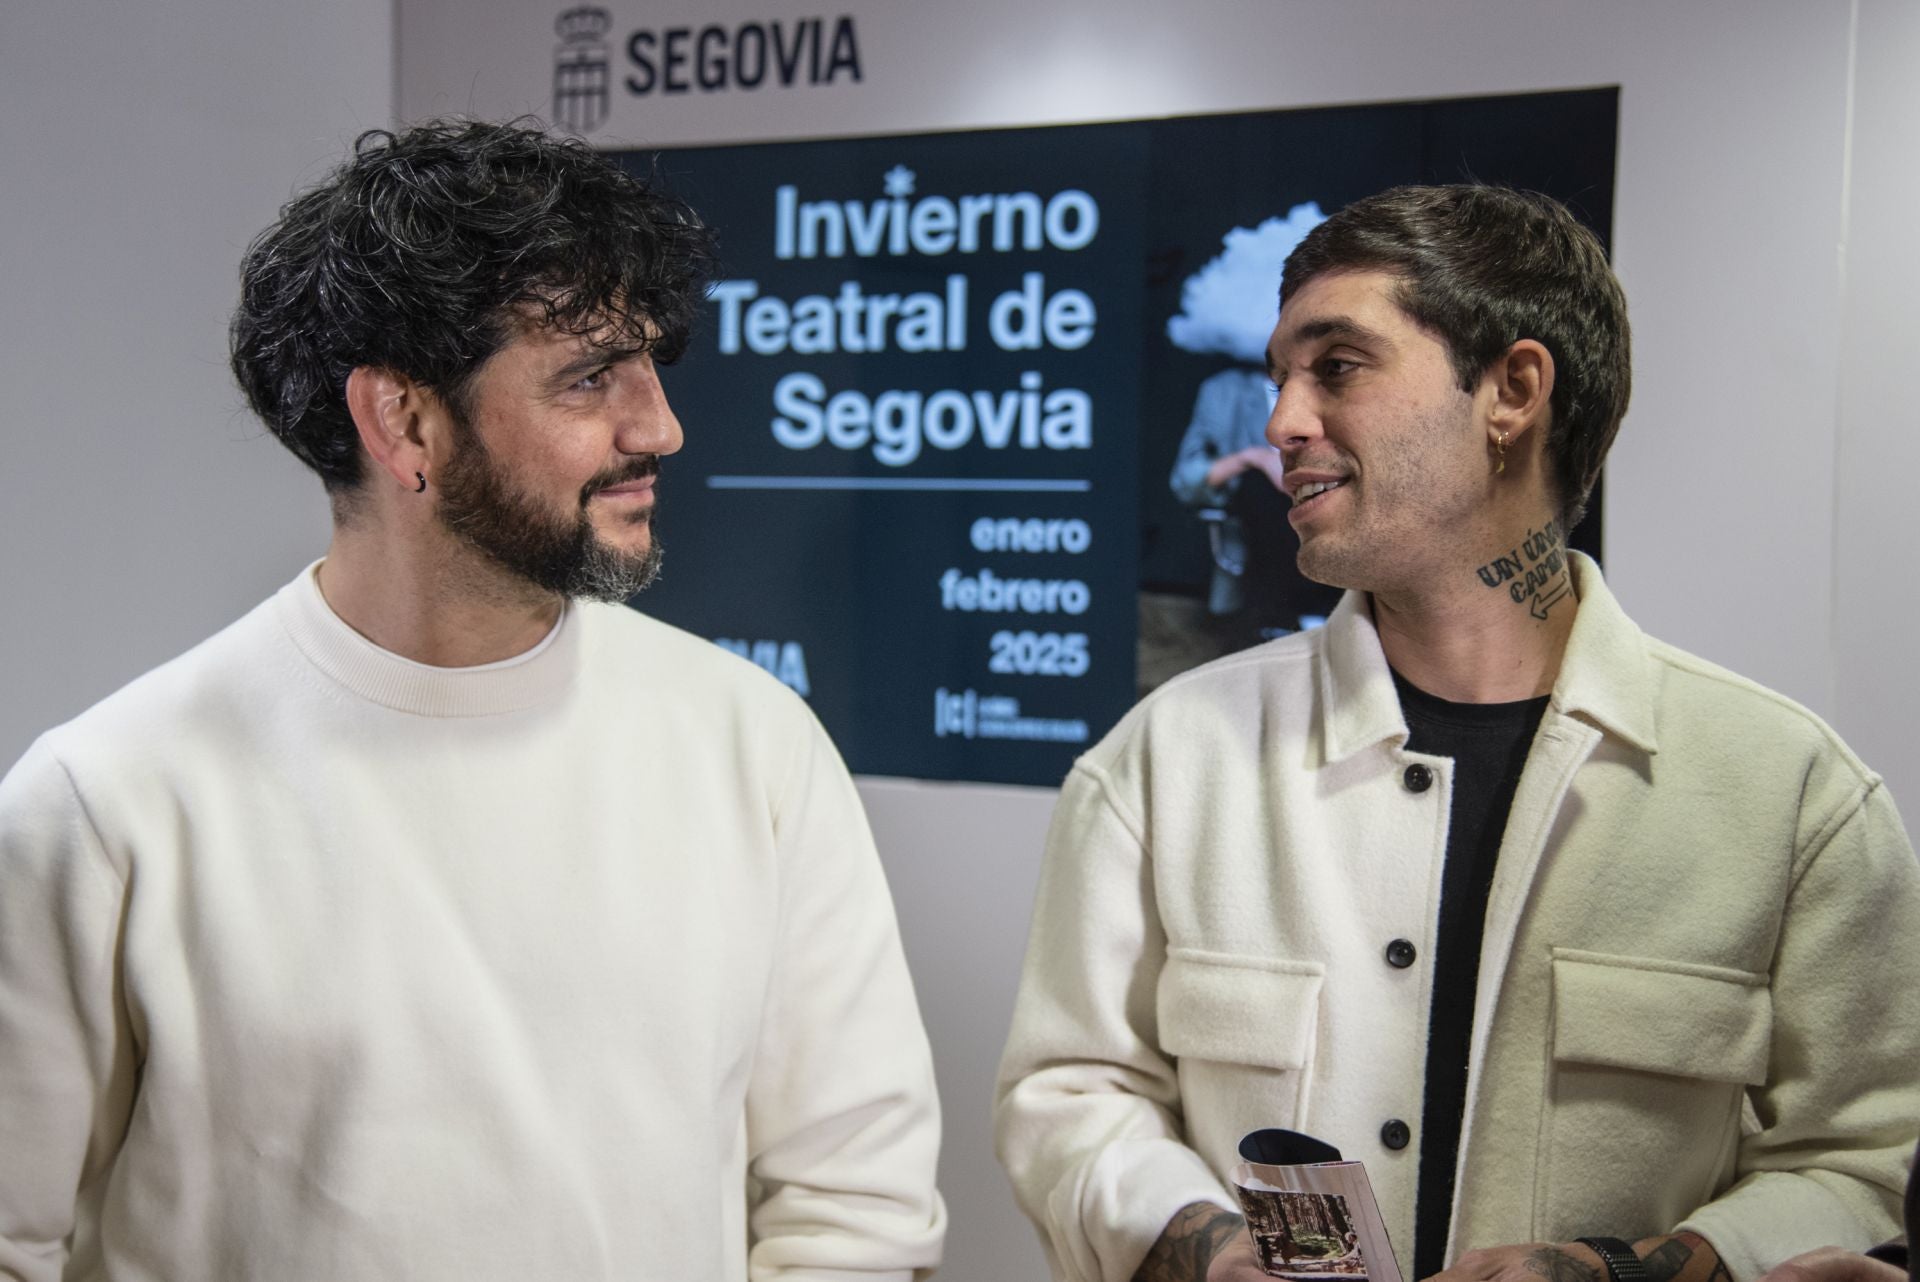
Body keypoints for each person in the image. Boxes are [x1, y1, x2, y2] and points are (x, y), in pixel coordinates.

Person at [0, 120, 945, 1280]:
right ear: (403, 421)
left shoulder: (753, 745)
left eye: (650, 365)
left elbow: (857, 1206)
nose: (660, 426)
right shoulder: (103, 803)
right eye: (590, 376)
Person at [994, 184, 1920, 1282]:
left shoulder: (1791, 793)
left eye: (1338, 366)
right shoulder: (1166, 759)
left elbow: (1865, 1157)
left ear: (1512, 392)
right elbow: (1072, 1094)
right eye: (1280, 379)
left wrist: (1638, 1269)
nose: (1282, 423)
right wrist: (1209, 1250)